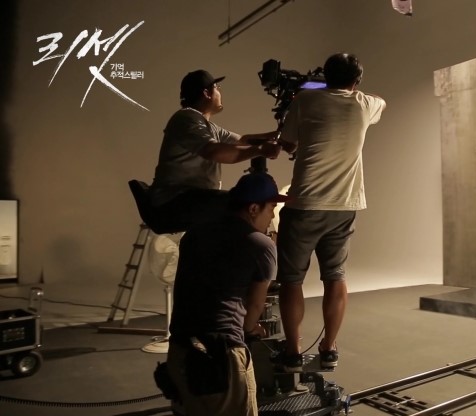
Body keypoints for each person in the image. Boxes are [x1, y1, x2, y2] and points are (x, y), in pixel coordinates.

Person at [275, 52, 386, 372]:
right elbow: (382, 101)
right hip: (344, 206)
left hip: (304, 204)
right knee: (335, 276)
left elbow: (287, 144)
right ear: (357, 81)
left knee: (291, 280)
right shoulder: (365, 104)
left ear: (325, 76)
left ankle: (293, 352)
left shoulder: (304, 101)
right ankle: (329, 348)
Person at [166, 172, 289, 416]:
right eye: (271, 209)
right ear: (253, 208)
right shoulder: (261, 245)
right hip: (221, 356)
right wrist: (251, 329)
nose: (272, 217)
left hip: (180, 350)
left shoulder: (194, 234)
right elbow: (255, 307)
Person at [149, 69, 282, 230]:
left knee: (235, 204)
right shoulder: (187, 118)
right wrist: (260, 149)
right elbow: (213, 151)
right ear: (207, 93)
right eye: (217, 87)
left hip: (192, 199)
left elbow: (243, 140)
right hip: (173, 202)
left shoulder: (207, 126)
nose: (220, 92)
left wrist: (281, 136)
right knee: (240, 206)